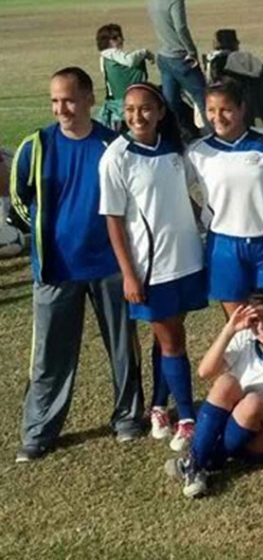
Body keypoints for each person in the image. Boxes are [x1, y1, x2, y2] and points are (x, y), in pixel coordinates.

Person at [11, 67, 142, 462]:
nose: (61, 109)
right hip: (55, 270)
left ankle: (128, 418)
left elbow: (132, 201)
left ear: (89, 100)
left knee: (122, 349)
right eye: (54, 101)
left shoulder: (113, 145)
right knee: (50, 356)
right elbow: (19, 198)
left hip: (108, 266)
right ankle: (38, 432)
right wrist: (43, 235)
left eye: (68, 99)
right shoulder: (36, 146)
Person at [98, 82, 207, 452]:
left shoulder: (176, 150)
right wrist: (129, 273)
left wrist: (203, 224)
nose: (136, 116)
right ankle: (188, 418)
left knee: (168, 338)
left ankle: (159, 406)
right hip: (151, 268)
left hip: (187, 260)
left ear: (160, 112)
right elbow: (113, 220)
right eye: (129, 109)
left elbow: (181, 198)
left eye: (144, 108)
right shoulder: (117, 156)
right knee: (174, 341)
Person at [164, 288, 263, 498]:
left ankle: (203, 460)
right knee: (226, 382)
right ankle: (196, 464)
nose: (262, 327)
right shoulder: (244, 339)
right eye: (255, 320)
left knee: (253, 401)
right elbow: (204, 372)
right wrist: (230, 330)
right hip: (235, 424)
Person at [187, 80, 263, 316]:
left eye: (226, 109)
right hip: (224, 246)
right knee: (239, 326)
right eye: (211, 110)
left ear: (241, 108)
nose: (218, 117)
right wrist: (201, 215)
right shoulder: (197, 151)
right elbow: (177, 192)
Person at [147, 0, 211, 136]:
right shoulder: (175, 2)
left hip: (163, 56)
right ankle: (213, 136)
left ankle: (183, 133)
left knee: (171, 101)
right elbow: (181, 28)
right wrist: (192, 51)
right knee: (204, 98)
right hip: (180, 57)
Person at [95, 24, 153, 130]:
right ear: (107, 41)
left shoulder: (104, 57)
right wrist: (145, 52)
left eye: (120, 36)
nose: (121, 39)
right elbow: (129, 61)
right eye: (115, 37)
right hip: (122, 105)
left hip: (115, 103)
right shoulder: (111, 53)